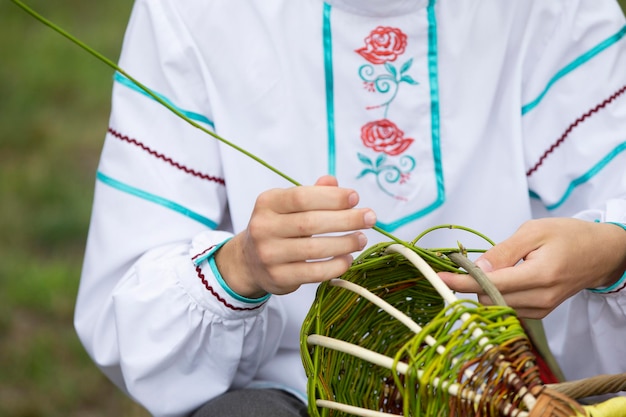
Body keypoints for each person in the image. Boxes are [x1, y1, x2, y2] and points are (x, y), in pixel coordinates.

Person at [74, 0, 626, 416]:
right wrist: (239, 267)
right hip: (286, 391)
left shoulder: (549, 10)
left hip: (497, 381)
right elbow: (126, 306)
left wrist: (610, 252)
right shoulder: (192, 13)